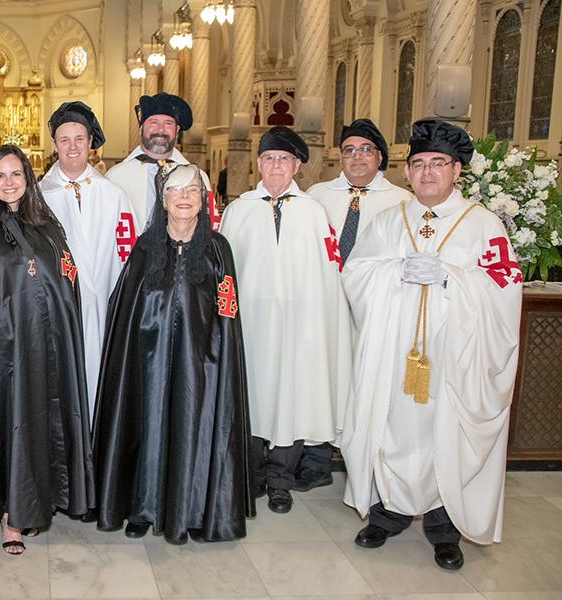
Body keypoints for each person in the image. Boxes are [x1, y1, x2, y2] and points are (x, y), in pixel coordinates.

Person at [340, 119, 522, 570]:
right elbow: (355, 273)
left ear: (457, 171)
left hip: (455, 357)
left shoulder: (484, 225)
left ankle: (443, 527)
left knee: (447, 434)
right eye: (418, 164)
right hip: (395, 352)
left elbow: (506, 287)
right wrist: (394, 270)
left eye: (437, 164)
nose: (426, 173)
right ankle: (389, 513)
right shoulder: (388, 221)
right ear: (406, 172)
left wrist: (452, 279)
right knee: (394, 427)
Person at [94, 164, 253, 544]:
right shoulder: (144, 248)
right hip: (146, 363)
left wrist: (221, 360)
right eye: (175, 190)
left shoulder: (219, 250)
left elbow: (228, 312)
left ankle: (194, 508)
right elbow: (124, 310)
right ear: (163, 200)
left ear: (203, 200)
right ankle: (142, 507)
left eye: (192, 191)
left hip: (203, 365)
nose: (183, 197)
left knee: (193, 428)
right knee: (146, 426)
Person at [0, 145, 93, 555]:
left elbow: (65, 289)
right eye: (0, 175)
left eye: (16, 174)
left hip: (41, 347)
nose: (9, 182)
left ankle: (29, 505)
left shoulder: (49, 229)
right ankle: (1, 513)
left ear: (28, 180)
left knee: (36, 419)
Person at [220, 126, 351, 515]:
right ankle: (254, 474)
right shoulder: (239, 210)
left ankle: (281, 480)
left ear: (297, 166)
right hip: (251, 325)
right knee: (254, 396)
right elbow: (224, 272)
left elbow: (329, 274)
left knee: (291, 399)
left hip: (299, 326)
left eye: (284, 159)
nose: (276, 166)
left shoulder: (314, 212)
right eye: (269, 158)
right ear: (258, 164)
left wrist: (320, 324)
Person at [299, 119, 412, 492]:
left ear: (380, 157)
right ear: (340, 157)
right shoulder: (318, 195)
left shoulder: (401, 202)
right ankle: (315, 459)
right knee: (322, 378)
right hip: (325, 306)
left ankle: (360, 459)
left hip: (374, 310)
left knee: (365, 382)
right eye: (349, 150)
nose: (357, 157)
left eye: (366, 150)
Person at [40, 101, 137, 418]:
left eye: (79, 139)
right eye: (64, 140)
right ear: (54, 144)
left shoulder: (114, 195)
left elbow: (128, 253)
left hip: (103, 308)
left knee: (98, 383)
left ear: (91, 142)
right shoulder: (39, 197)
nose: (72, 147)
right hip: (56, 311)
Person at [106, 93, 210, 226]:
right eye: (154, 122)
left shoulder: (197, 178)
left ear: (177, 130)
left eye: (168, 123)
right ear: (141, 128)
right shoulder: (116, 177)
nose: (161, 130)